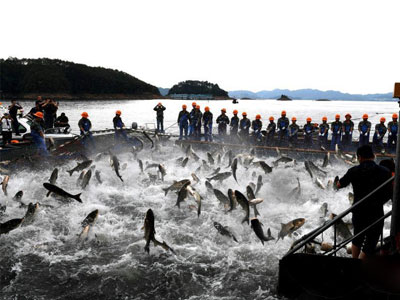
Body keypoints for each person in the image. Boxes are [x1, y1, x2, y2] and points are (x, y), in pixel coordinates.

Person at [336, 145, 392, 259]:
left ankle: (354, 262)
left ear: (359, 157)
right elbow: (389, 192)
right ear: (373, 156)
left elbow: (339, 185)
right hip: (375, 211)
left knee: (358, 237)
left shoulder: (353, 171)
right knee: (372, 239)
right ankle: (361, 263)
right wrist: (380, 201)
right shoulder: (384, 171)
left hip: (358, 210)